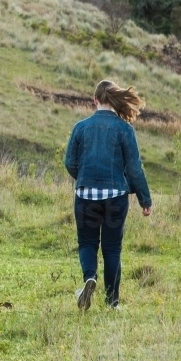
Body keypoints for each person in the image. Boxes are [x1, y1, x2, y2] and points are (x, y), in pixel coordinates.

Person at [64, 79, 152, 310]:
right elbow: (134, 168)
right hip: (116, 196)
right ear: (114, 100)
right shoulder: (125, 129)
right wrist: (144, 199)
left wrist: (84, 177)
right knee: (112, 248)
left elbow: (69, 162)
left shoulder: (80, 127)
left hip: (85, 195)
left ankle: (89, 278)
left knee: (87, 242)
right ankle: (112, 301)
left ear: (94, 100)